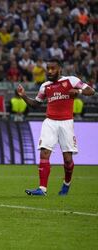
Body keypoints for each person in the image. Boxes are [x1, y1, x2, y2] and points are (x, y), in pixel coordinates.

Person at [16, 58, 95, 196]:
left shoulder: (71, 81)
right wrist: (23, 96)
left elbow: (91, 90)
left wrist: (78, 92)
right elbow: (36, 104)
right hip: (50, 122)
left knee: (67, 159)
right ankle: (42, 189)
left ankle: (66, 183)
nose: (50, 71)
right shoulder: (45, 86)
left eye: (53, 68)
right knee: (44, 153)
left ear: (60, 69)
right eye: (48, 68)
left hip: (66, 123)